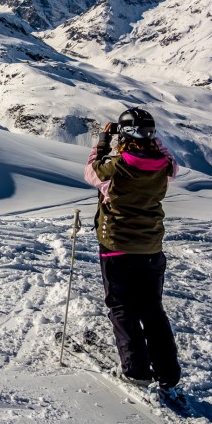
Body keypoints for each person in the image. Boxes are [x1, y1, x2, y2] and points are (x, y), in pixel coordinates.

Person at [83, 107, 182, 394]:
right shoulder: (164, 165)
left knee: (122, 306)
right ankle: (168, 372)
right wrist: (153, 141)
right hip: (151, 247)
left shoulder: (115, 167)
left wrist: (102, 141)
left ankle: (136, 370)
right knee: (152, 309)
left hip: (116, 246)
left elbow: (91, 171)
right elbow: (173, 163)